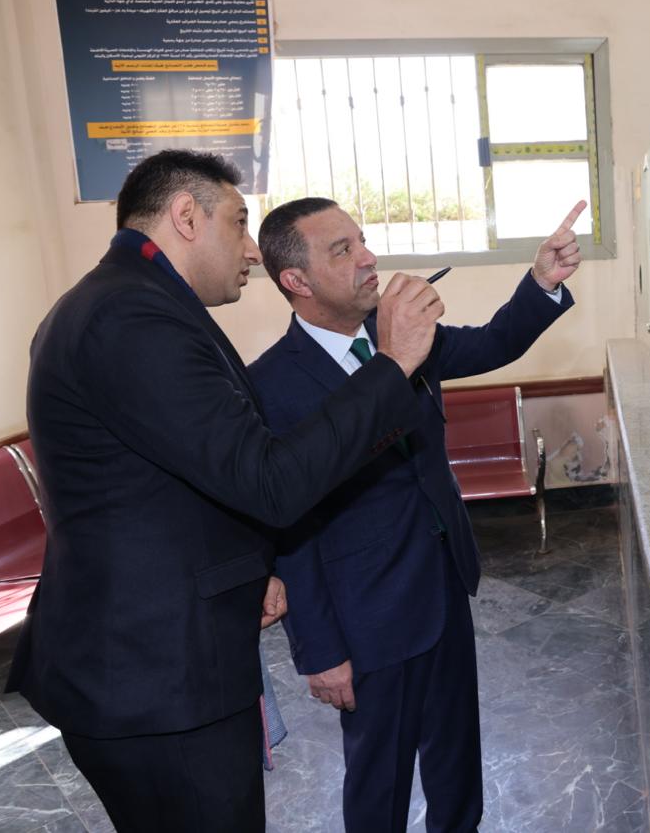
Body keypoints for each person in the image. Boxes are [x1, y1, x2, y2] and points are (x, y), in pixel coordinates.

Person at [6, 150, 445, 833]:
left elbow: (173, 477)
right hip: (154, 679)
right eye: (239, 223)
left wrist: (248, 565)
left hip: (158, 657)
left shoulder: (129, 303)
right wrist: (390, 366)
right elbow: (268, 480)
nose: (250, 249)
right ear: (186, 216)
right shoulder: (131, 318)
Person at [246, 196, 584, 832]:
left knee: (457, 762)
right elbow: (289, 529)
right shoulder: (268, 387)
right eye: (343, 250)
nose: (368, 258)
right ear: (297, 281)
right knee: (381, 781)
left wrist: (541, 282)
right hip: (365, 617)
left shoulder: (400, 335)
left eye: (362, 240)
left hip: (442, 583)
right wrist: (319, 650)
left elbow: (494, 342)